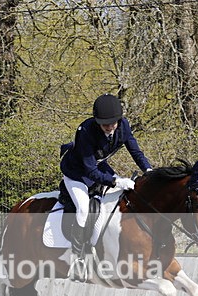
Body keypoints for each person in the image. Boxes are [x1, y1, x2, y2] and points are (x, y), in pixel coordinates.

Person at [59, 94, 153, 281]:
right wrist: (116, 181)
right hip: (77, 172)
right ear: (97, 122)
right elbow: (90, 170)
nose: (110, 128)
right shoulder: (85, 131)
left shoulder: (123, 125)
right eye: (105, 125)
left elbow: (135, 150)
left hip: (99, 166)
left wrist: (149, 169)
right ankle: (76, 258)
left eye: (113, 123)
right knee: (84, 210)